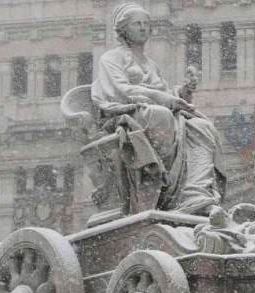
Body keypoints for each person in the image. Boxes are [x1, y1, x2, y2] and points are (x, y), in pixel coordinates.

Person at [92, 2, 226, 216]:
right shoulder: (111, 58)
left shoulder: (151, 64)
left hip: (155, 113)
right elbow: (121, 90)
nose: (143, 28)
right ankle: (165, 190)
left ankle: (194, 192)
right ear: (123, 29)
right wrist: (163, 98)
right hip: (129, 113)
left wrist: (183, 92)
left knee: (203, 127)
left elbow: (165, 93)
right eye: (137, 24)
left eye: (146, 24)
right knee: (161, 115)